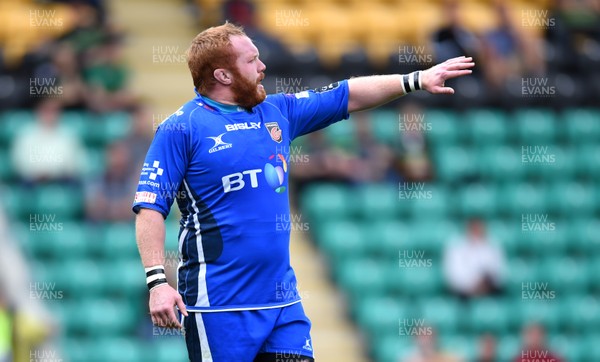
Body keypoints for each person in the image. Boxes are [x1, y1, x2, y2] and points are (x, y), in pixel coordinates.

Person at [132, 22, 474, 362]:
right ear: (223, 75)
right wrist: (157, 281)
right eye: (251, 61)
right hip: (219, 305)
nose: (263, 67)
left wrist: (415, 80)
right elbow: (150, 208)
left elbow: (347, 94)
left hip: (283, 301)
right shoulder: (181, 128)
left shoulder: (276, 111)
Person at [443, 218, 506, 300]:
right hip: (464, 292)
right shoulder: (456, 246)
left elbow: (500, 271)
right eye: (474, 228)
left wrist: (484, 283)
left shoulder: (493, 245)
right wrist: (472, 284)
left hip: (489, 289)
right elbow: (453, 274)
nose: (477, 231)